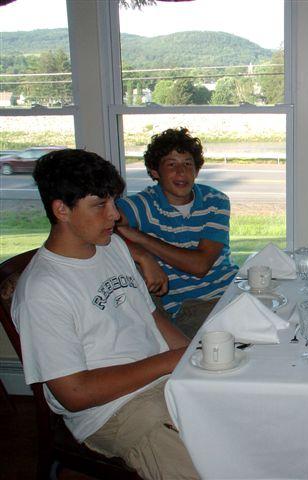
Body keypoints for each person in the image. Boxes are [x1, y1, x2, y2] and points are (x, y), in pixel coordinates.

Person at [12, 149, 198, 480]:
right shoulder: (43, 290)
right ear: (61, 210)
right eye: (100, 204)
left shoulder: (112, 247)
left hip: (166, 382)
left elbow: (151, 317)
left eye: (114, 200)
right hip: (114, 412)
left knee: (248, 426)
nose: (115, 214)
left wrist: (195, 358)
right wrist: (171, 362)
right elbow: (75, 394)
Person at [117, 127, 237, 337]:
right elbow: (101, 223)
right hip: (192, 308)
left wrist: (142, 239)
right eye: (171, 164)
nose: (181, 172)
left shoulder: (215, 201)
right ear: (155, 172)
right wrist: (143, 256)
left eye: (188, 164)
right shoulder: (143, 205)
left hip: (232, 294)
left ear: (196, 170)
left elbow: (200, 265)